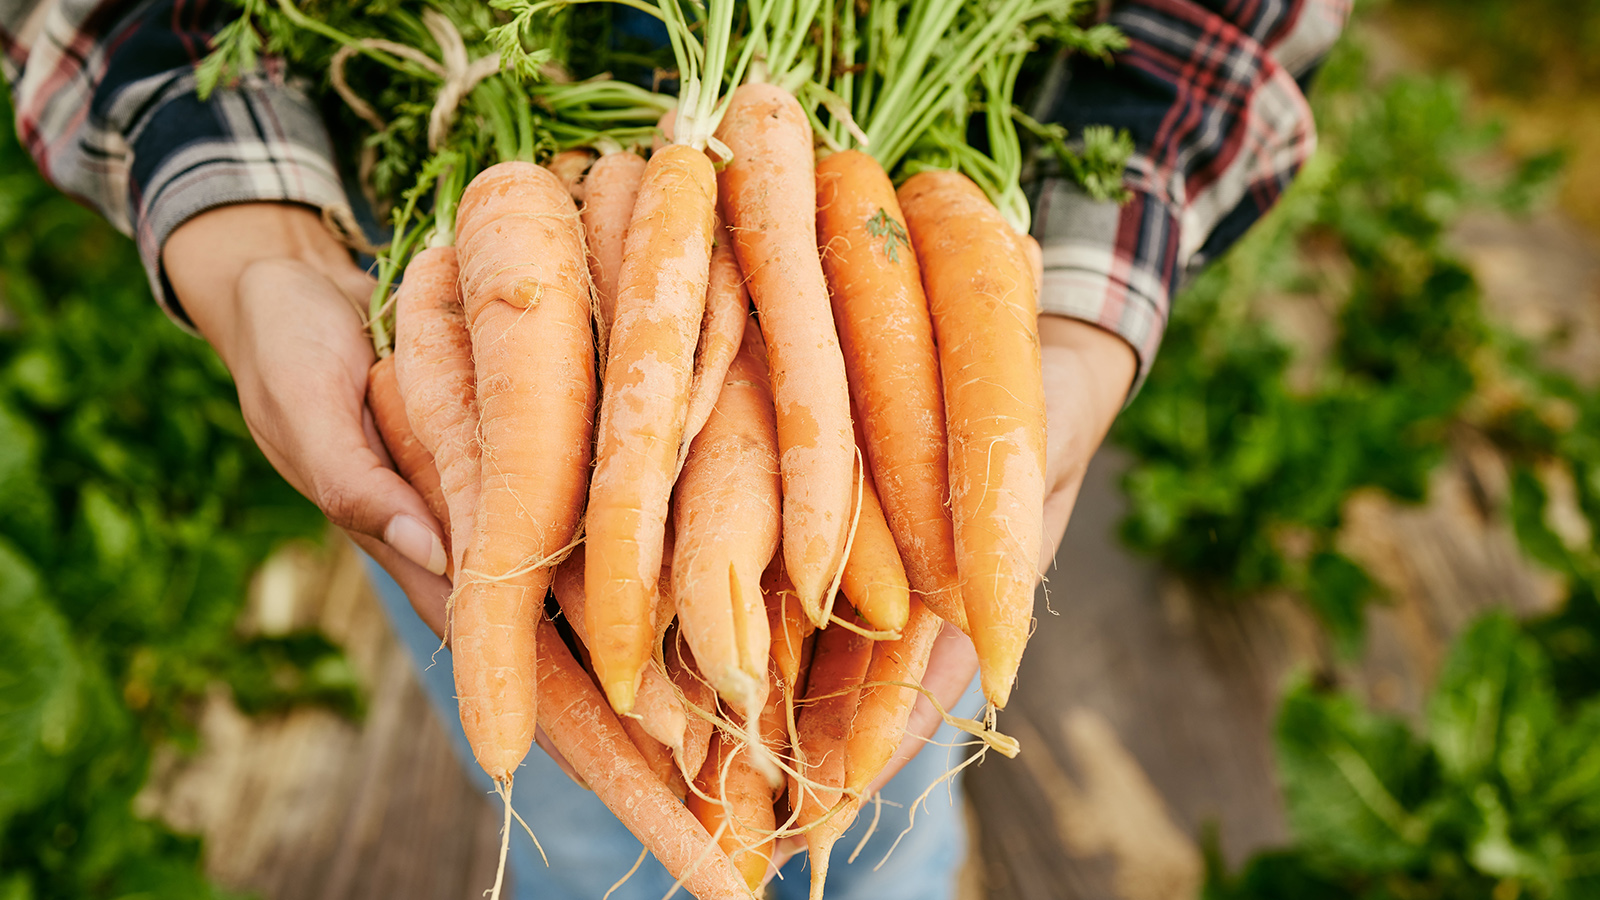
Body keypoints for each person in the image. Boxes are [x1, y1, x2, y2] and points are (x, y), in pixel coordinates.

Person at [2, 1, 1346, 896]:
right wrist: (254, 250)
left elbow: (1211, 23)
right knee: (591, 765)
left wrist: (1072, 317)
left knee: (878, 723)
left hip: (910, 380)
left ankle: (832, 845)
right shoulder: (511, 216)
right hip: (435, 350)